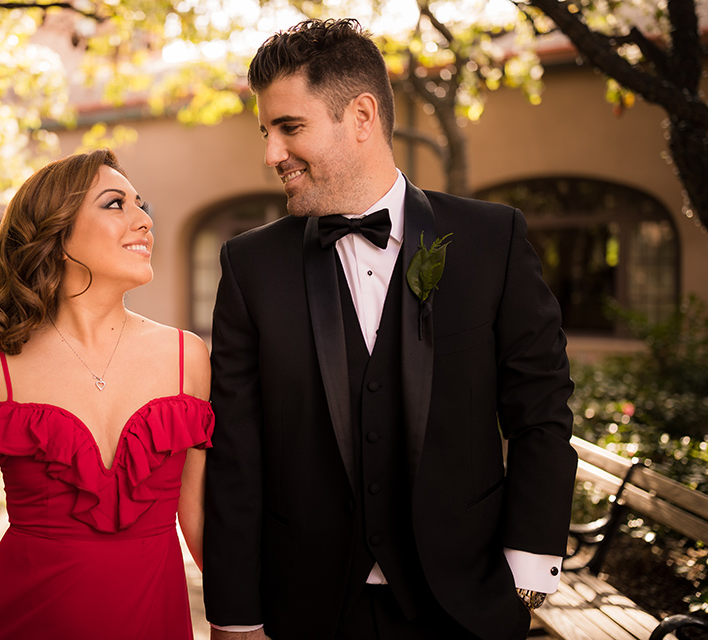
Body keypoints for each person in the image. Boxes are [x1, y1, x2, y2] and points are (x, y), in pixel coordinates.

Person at [203, 18, 577, 640]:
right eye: (266, 131)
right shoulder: (250, 265)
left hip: (468, 601)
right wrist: (236, 615)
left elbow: (540, 408)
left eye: (290, 128)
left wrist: (526, 570)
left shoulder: (491, 239)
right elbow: (237, 454)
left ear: (362, 115)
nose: (271, 154)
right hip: (308, 605)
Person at [0, 149, 213, 640]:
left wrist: (250, 619)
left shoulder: (187, 356)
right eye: (115, 204)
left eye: (141, 205)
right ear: (57, 235)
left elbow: (198, 518)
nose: (144, 221)